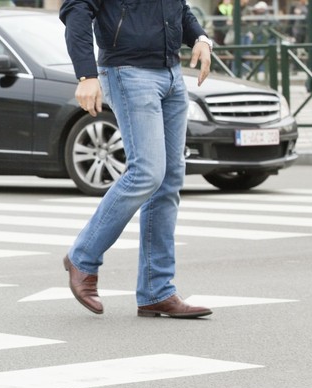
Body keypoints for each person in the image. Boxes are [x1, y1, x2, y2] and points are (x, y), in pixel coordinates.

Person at [59, 0, 214, 319]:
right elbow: (76, 9)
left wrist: (199, 37)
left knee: (168, 182)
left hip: (171, 75)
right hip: (127, 71)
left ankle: (157, 291)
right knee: (146, 173)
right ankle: (82, 258)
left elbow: (179, 9)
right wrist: (86, 74)